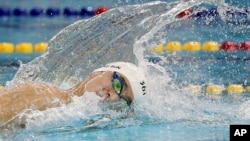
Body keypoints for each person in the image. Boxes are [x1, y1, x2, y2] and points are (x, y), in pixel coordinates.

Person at [0, 62, 147, 123]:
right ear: (99, 72)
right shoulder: (45, 95)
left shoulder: (62, 110)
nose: (113, 96)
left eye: (123, 100)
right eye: (118, 83)